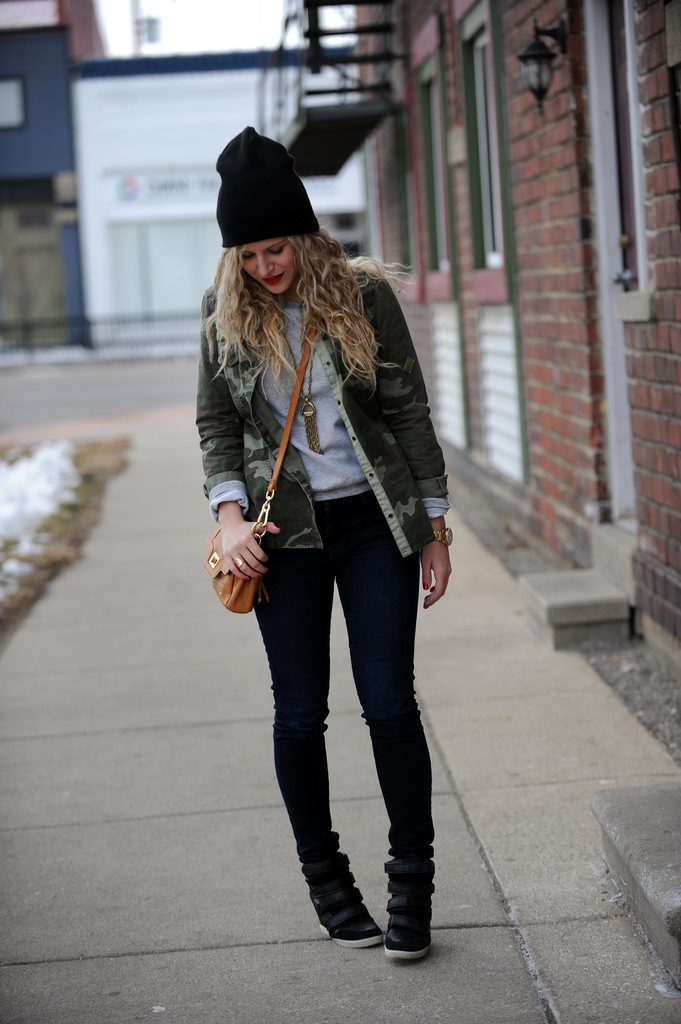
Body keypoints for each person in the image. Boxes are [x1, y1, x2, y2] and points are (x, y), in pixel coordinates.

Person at [196, 127, 452, 961]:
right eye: (249, 254)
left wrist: (435, 528)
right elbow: (217, 426)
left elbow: (407, 410)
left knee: (388, 703)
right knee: (300, 713)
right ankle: (327, 882)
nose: (265, 268)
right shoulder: (223, 317)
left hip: (376, 525)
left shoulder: (365, 298)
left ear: (304, 238)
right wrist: (228, 519)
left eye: (276, 249)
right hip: (284, 538)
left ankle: (411, 888)